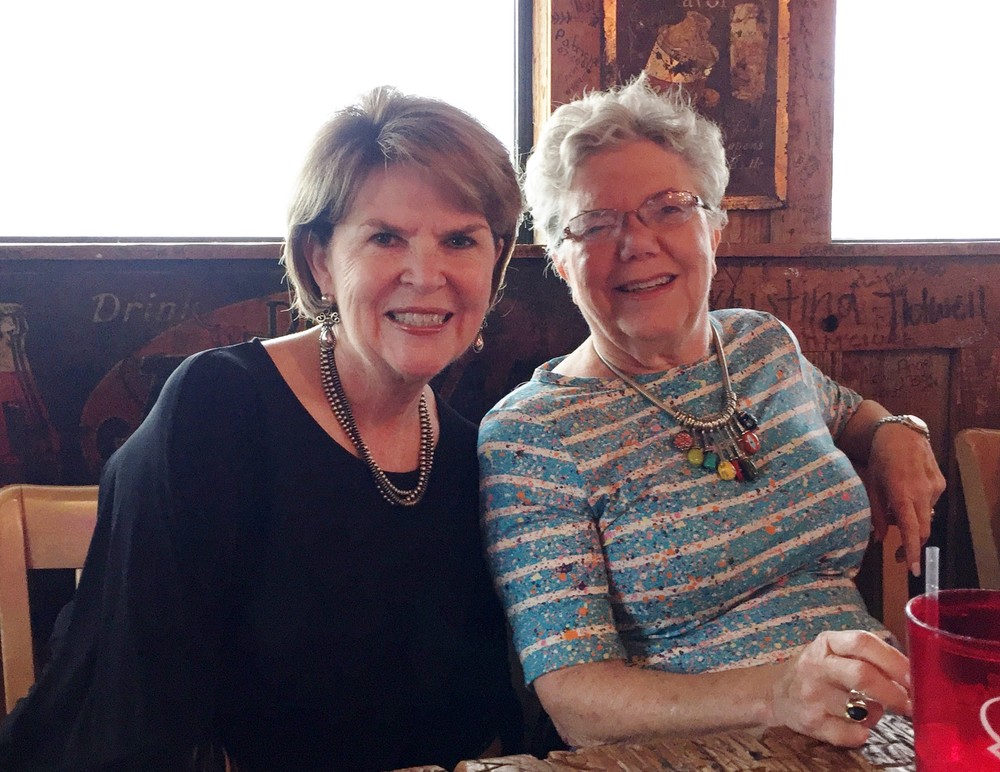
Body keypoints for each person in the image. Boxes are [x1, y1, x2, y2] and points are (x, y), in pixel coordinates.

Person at [0, 85, 524, 771]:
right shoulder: (218, 408)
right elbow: (137, 710)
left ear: (495, 260)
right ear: (320, 261)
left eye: (460, 240)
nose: (426, 275)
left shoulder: (469, 453)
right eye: (385, 237)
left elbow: (472, 714)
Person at [478, 76, 945, 750]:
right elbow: (576, 700)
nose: (636, 242)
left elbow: (851, 415)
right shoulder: (532, 434)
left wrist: (895, 432)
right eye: (595, 224)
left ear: (715, 228)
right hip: (699, 753)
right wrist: (780, 693)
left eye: (668, 208)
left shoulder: (761, 345)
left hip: (874, 725)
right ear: (559, 260)